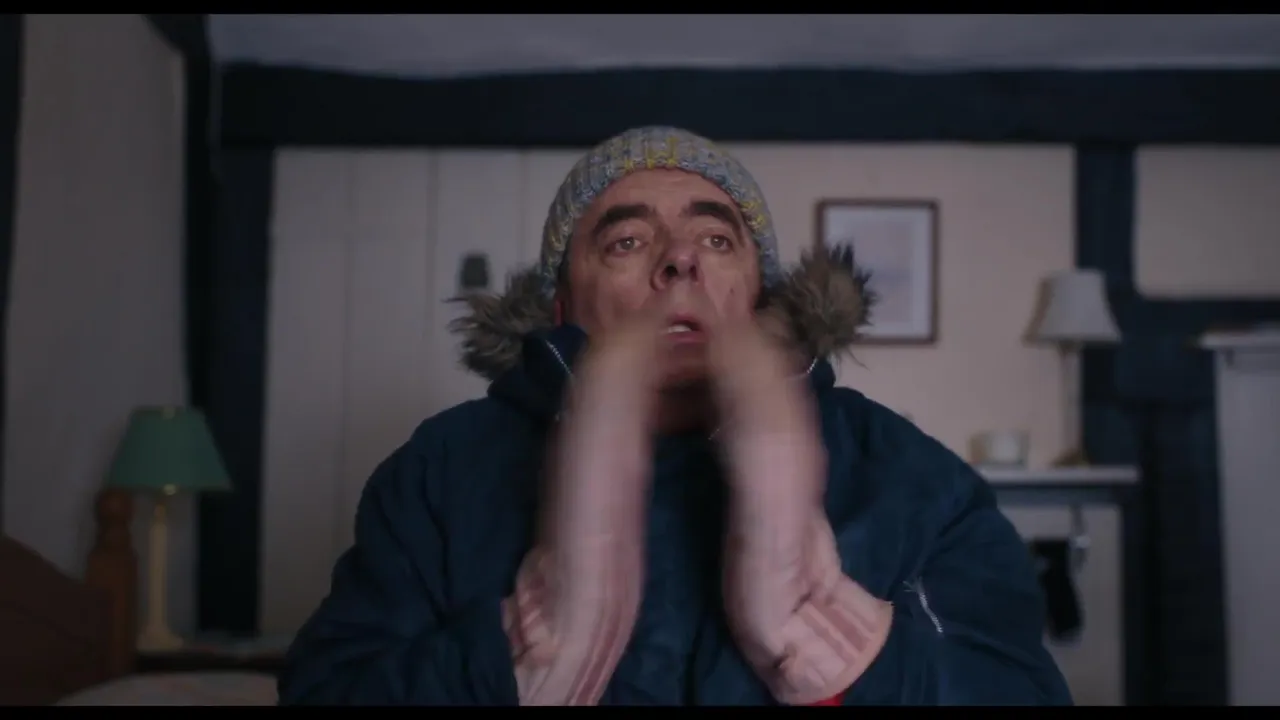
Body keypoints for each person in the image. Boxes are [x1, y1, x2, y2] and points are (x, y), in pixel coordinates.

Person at [277, 126, 1073, 706]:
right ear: (560, 305)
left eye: (717, 239)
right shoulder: (443, 470)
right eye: (626, 241)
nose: (680, 259)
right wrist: (508, 659)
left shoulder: (906, 474)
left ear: (759, 296)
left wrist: (850, 654)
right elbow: (327, 691)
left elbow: (1020, 690)